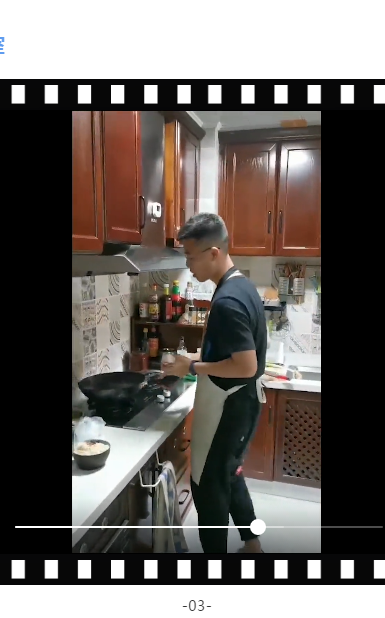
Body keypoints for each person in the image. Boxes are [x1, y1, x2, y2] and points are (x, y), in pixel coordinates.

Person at [162, 213, 267, 554]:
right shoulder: (239, 285)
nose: (188, 264)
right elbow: (228, 351)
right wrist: (193, 358)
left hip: (230, 406)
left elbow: (245, 365)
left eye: (190, 256)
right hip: (240, 403)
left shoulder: (228, 302)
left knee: (208, 485)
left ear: (213, 253)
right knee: (229, 473)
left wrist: (192, 365)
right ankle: (252, 544)